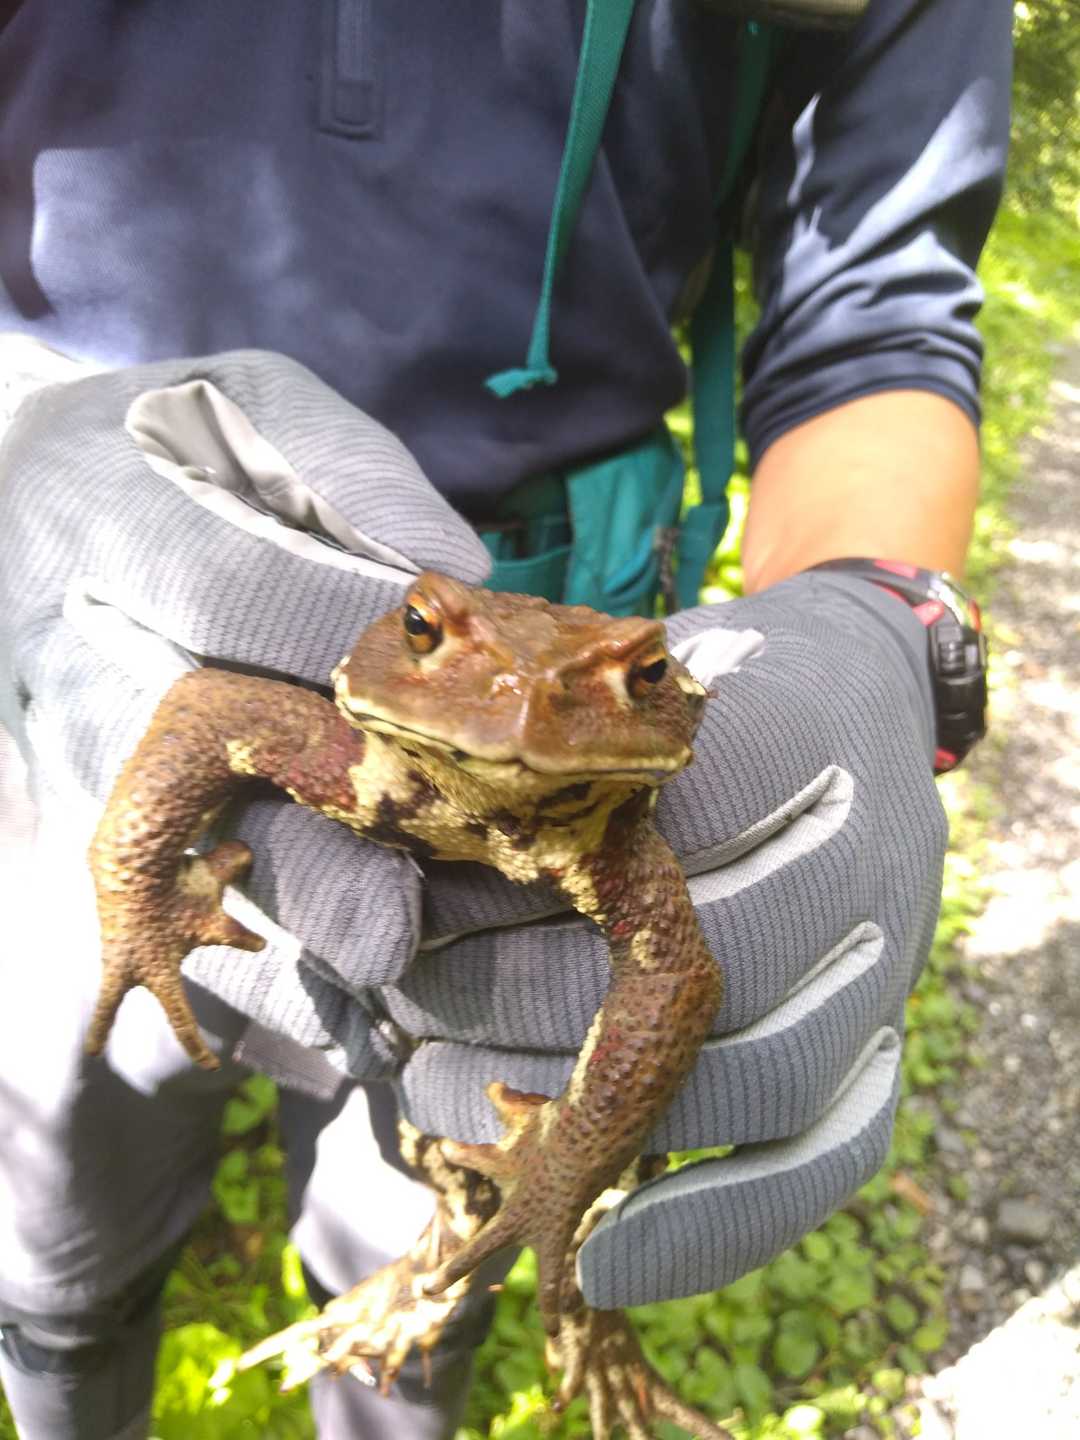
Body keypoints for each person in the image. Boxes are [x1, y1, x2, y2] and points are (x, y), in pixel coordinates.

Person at [0, 2, 1009, 1437]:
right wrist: (19, 440)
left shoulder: (611, 832)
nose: (525, 708)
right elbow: (210, 707)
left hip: (581, 583)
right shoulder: (337, 734)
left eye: (643, 686)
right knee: (58, 1199)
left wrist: (879, 614)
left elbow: (876, 306)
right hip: (81, 613)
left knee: (441, 1230)